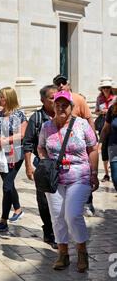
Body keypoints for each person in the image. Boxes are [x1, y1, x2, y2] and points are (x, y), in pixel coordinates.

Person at [38, 90, 99, 273]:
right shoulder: (46, 127)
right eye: (58, 105)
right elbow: (41, 147)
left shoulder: (81, 125)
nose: (61, 108)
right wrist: (45, 162)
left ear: (71, 107)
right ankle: (63, 255)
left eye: (65, 105)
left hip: (79, 176)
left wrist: (94, 173)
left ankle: (82, 252)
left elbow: (93, 148)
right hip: (55, 179)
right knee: (57, 216)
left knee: (72, 214)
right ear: (53, 107)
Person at [53, 74, 96, 216]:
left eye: (63, 83)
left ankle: (87, 202)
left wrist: (92, 141)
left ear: (68, 84)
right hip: (60, 147)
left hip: (78, 144)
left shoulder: (79, 99)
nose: (60, 86)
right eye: (58, 83)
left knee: (84, 173)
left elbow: (89, 119)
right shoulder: (54, 100)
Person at [23, 85, 58, 249]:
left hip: (63, 165)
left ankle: (60, 232)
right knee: (44, 200)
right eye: (51, 98)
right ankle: (49, 231)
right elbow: (28, 143)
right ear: (43, 100)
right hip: (43, 165)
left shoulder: (63, 115)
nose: (55, 101)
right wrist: (28, 166)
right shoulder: (36, 118)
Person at [0, 87, 27, 233]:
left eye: (2, 97)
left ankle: (3, 220)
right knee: (9, 184)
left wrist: (7, 139)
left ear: (9, 98)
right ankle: (17, 209)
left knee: (6, 186)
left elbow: (22, 134)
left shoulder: (20, 114)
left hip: (15, 154)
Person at [95, 77, 116, 182]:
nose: (106, 89)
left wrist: (108, 111)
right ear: (101, 89)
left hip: (113, 126)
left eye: (108, 87)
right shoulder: (99, 99)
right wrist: (101, 112)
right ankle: (107, 174)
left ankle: (113, 170)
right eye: (104, 88)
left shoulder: (115, 98)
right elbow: (96, 111)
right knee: (104, 150)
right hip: (103, 125)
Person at [99, 97, 117, 192]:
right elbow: (106, 129)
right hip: (114, 147)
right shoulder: (112, 108)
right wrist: (100, 144)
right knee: (115, 178)